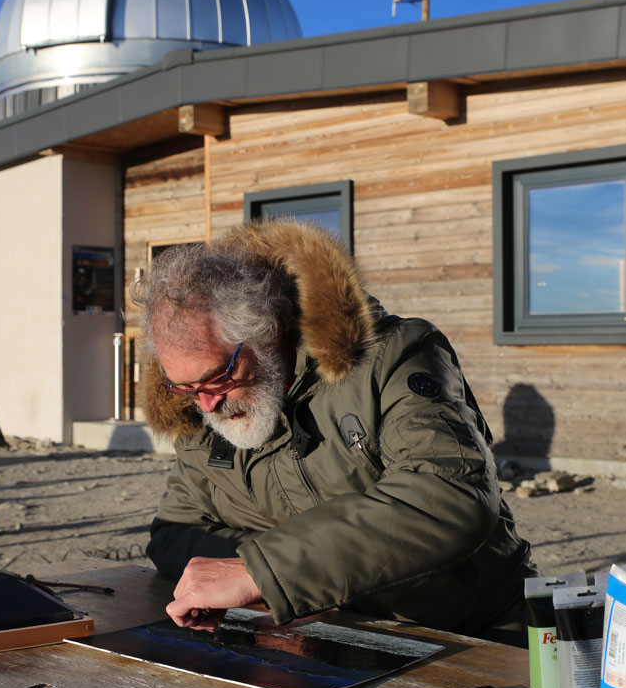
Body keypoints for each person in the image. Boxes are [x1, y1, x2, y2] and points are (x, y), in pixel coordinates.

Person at [133, 220, 536, 645]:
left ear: (266, 330)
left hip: (475, 634)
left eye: (218, 377)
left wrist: (267, 571)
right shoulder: (200, 407)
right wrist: (276, 580)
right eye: (186, 387)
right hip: (337, 641)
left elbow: (450, 493)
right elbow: (175, 530)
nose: (207, 403)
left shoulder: (392, 357)